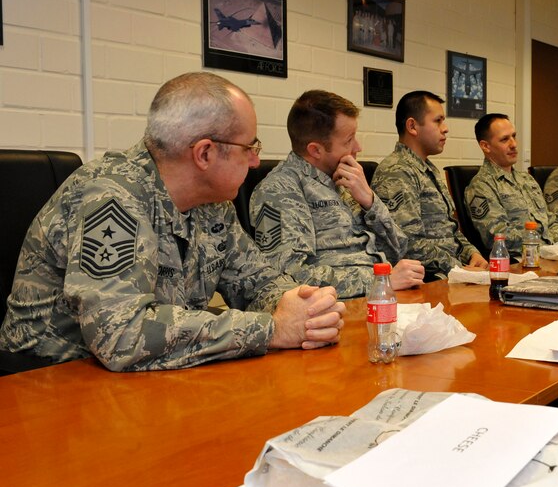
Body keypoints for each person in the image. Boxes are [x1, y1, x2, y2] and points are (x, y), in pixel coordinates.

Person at [0, 72, 344, 372]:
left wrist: (304, 307)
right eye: (249, 147)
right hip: (51, 379)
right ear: (205, 153)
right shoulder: (112, 195)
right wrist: (271, 329)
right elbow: (121, 335)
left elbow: (258, 282)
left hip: (153, 373)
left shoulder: (214, 204)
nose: (255, 162)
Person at [250, 90, 424, 298]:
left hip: (383, 295)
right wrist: (378, 280)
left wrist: (370, 202)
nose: (358, 147)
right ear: (316, 150)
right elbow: (287, 276)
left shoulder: (345, 179)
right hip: (339, 305)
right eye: (349, 140)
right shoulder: (279, 190)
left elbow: (400, 250)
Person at [371, 90, 488, 280]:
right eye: (438, 121)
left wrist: (471, 254)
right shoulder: (396, 172)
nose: (445, 128)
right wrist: (459, 269)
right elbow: (408, 244)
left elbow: (449, 229)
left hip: (449, 271)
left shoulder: (427, 168)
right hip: (428, 277)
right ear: (412, 126)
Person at [465, 113, 558, 256]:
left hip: (551, 254)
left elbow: (550, 222)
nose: (513, 144)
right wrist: (544, 246)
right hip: (521, 259)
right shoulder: (481, 186)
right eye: (504, 139)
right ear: (486, 146)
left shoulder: (527, 180)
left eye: (514, 136)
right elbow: (496, 236)